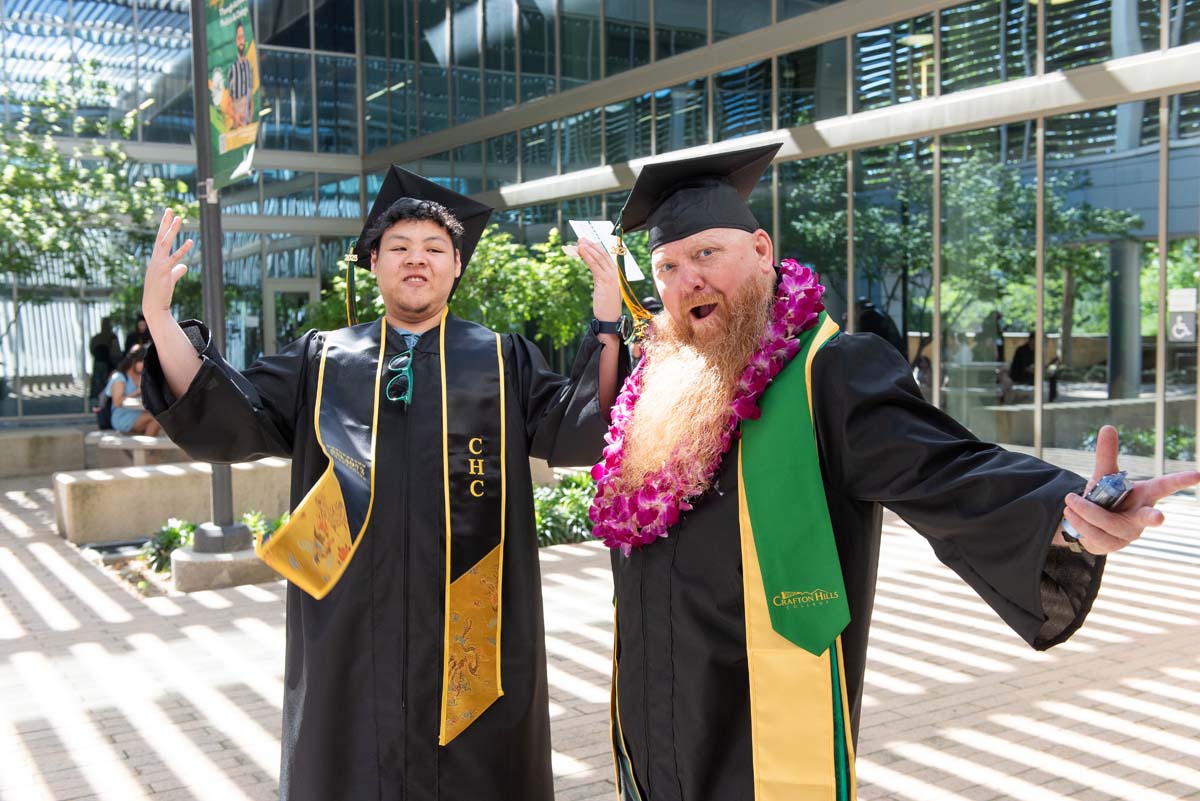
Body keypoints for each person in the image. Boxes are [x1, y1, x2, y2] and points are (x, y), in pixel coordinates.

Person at [579, 142, 1200, 801]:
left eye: (706, 253)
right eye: (668, 265)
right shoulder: (658, 389)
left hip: (750, 724)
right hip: (651, 715)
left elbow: (946, 467)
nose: (686, 280)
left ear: (761, 251)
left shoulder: (829, 372)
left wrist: (1070, 513)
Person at [138, 168, 626, 801]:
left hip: (472, 613)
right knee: (349, 756)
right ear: (373, 263)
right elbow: (225, 406)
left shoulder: (500, 357)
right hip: (349, 620)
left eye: (433, 250)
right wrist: (158, 316)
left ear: (457, 267)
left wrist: (608, 319)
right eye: (399, 248)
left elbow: (582, 426)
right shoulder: (323, 358)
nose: (415, 261)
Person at [103, 345, 161, 436]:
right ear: (134, 361)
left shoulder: (141, 377)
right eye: (142, 362)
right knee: (156, 419)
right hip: (123, 416)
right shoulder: (119, 377)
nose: (144, 366)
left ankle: (146, 448)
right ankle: (146, 448)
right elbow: (117, 402)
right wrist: (136, 392)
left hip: (139, 413)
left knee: (160, 419)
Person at [88, 317, 121, 406]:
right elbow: (116, 352)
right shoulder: (112, 337)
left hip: (98, 363)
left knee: (98, 383)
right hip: (108, 364)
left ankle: (97, 402)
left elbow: (91, 349)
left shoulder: (96, 337)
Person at [228, 22, 254, 128]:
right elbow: (227, 101)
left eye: (243, 37)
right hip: (236, 124)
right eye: (239, 38)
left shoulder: (249, 65)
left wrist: (250, 119)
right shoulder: (232, 67)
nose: (241, 41)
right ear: (235, 41)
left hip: (247, 123)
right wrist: (235, 116)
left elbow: (251, 96)